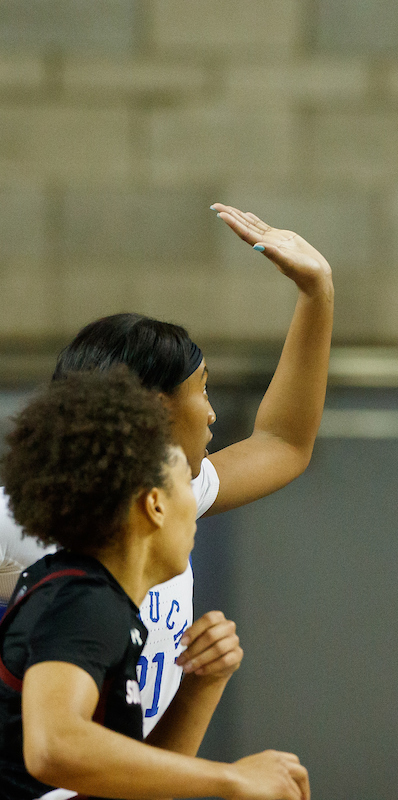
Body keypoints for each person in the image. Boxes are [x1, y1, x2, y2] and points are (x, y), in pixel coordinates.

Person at [0, 203, 333, 736]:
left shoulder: (167, 498)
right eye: (201, 389)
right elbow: (56, 752)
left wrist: (317, 294)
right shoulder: (24, 522)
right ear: (156, 409)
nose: (212, 412)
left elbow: (285, 442)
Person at [0, 368, 309, 800]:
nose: (196, 499)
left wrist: (200, 686)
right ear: (155, 505)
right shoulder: (83, 601)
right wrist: (229, 777)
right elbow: (53, 748)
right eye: (186, 480)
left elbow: (130, 791)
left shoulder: (94, 598)